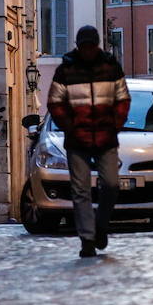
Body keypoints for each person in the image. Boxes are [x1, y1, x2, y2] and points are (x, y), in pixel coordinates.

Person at [46, 25, 130, 257]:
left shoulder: (111, 67)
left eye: (91, 46)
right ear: (79, 46)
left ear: (96, 45)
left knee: (111, 185)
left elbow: (123, 98)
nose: (88, 51)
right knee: (80, 190)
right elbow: (55, 103)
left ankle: (100, 226)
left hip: (105, 136)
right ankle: (87, 239)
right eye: (85, 46)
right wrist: (71, 127)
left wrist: (114, 125)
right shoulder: (66, 70)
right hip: (78, 139)